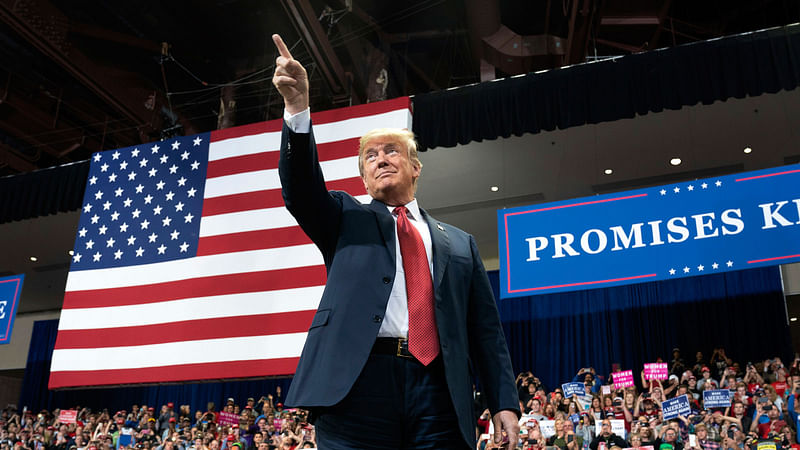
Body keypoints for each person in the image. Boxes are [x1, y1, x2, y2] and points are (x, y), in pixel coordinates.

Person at [271, 33, 520, 449]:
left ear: (416, 167)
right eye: (371, 156)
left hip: (439, 391)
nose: (381, 159)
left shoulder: (461, 244)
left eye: (391, 151)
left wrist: (504, 404)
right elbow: (300, 188)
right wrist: (297, 109)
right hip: (357, 386)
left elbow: (486, 332)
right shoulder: (344, 218)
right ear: (364, 177)